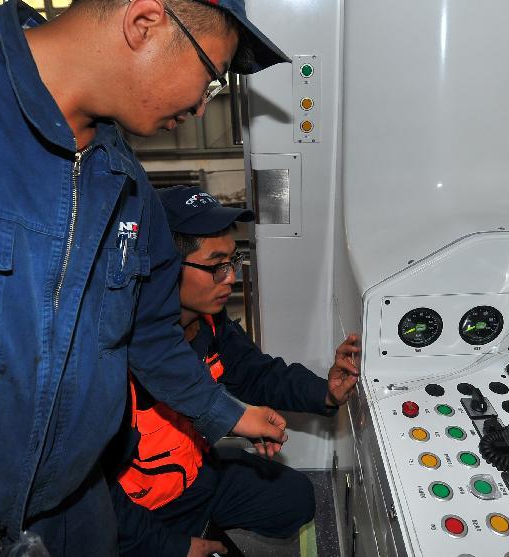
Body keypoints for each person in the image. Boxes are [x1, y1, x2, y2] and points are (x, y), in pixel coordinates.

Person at [0, 0, 291, 555]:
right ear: (144, 23)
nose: (200, 105)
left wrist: (226, 414)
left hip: (72, 521)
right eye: (210, 79)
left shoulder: (126, 186)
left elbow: (151, 335)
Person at [109, 186, 361, 557]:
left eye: (233, 261)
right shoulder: (114, 355)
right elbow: (92, 493)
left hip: (196, 476)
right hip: (138, 513)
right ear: (164, 268)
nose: (230, 278)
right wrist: (170, 547)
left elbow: (255, 373)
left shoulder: (210, 323)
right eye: (216, 266)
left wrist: (324, 391)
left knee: (294, 499)